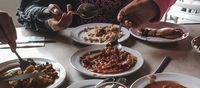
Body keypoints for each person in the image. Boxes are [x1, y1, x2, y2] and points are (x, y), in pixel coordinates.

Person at [16, 0, 176, 33]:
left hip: (135, 43)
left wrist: (154, 5)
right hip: (69, 49)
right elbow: (26, 9)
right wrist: (48, 21)